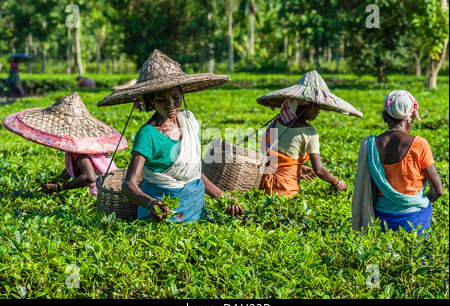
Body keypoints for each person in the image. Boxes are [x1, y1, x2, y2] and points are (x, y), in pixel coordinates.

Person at [97, 49, 243, 223]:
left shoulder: (189, 121)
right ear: (150, 101)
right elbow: (128, 185)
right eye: (161, 99)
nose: (171, 105)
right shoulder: (148, 134)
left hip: (195, 208)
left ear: (182, 94)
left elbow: (194, 173)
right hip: (159, 213)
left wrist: (223, 197)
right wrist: (151, 203)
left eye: (175, 97)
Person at [256, 70, 364, 197]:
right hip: (285, 189)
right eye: (317, 107)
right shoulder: (310, 132)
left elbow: (276, 157)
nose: (318, 112)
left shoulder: (277, 122)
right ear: (310, 106)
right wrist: (337, 182)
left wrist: (299, 168)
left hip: (263, 184)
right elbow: (319, 170)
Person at [351, 90, 443, 236]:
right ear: (411, 118)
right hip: (415, 218)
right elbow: (438, 191)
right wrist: (417, 202)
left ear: (384, 117)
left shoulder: (371, 144)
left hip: (381, 217)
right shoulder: (420, 144)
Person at [3, 92, 128, 197]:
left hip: (104, 195)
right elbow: (69, 171)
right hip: (116, 187)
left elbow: (89, 177)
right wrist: (52, 183)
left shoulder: (78, 148)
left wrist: (58, 187)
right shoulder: (88, 142)